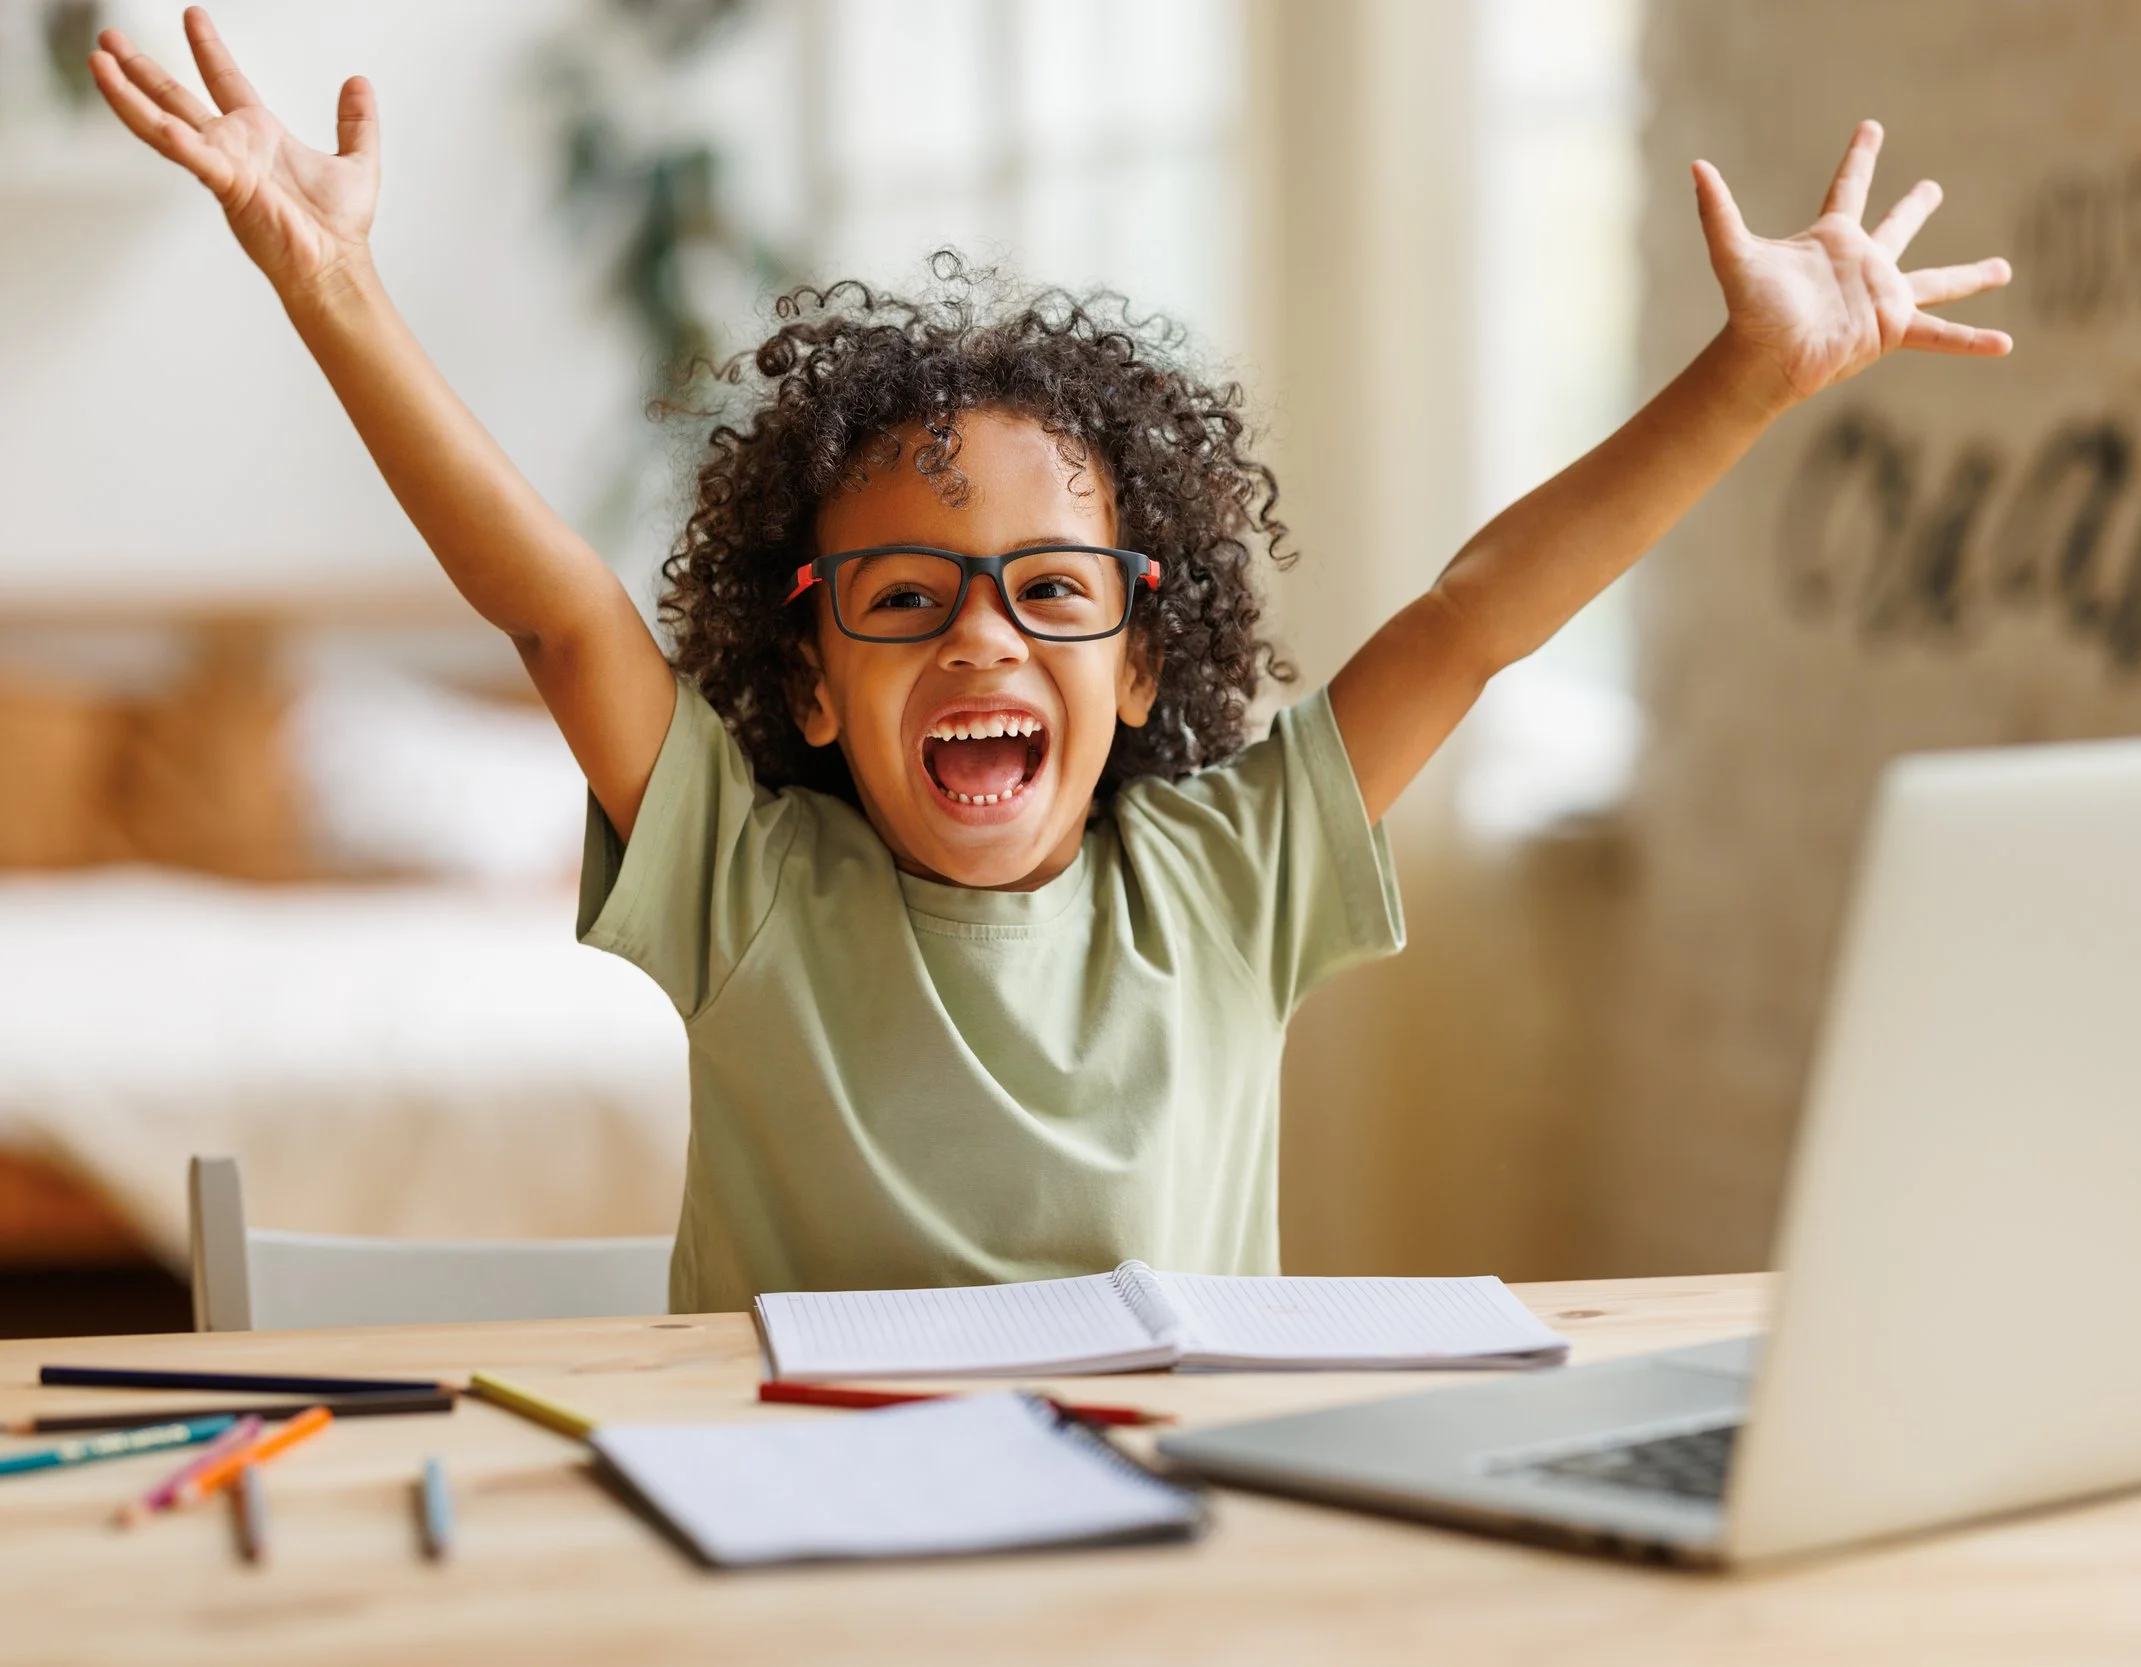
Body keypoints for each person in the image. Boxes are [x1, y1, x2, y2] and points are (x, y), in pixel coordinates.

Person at [89, 10, 2012, 1310]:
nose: (985, 632)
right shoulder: (749, 879)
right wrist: (329, 285)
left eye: (1049, 593)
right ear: (816, 672)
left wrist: (1749, 374)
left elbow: (1479, 609)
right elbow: (562, 613)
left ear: (1149, 662)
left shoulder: (1234, 878)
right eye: (907, 598)